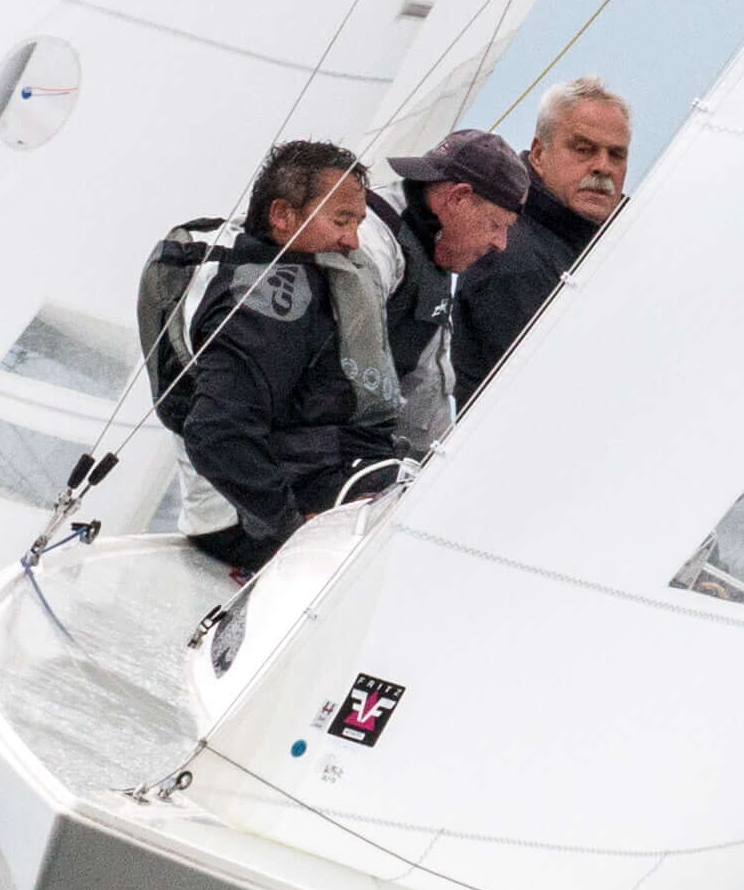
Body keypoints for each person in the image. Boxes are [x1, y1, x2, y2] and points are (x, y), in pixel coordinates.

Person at [163, 142, 415, 576]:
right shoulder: (261, 307)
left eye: (357, 222)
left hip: (287, 484)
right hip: (247, 520)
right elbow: (216, 433)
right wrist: (289, 528)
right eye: (341, 220)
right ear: (282, 215)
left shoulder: (277, 263)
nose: (352, 239)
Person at [449, 75, 630, 399]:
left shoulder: (619, 245)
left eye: (616, 155)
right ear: (538, 154)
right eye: (583, 149)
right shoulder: (508, 255)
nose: (603, 167)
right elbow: (553, 392)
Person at [371, 127, 532, 434]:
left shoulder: (436, 249)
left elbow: (426, 384)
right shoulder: (372, 241)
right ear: (459, 199)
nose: (501, 243)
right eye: (496, 225)